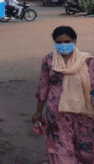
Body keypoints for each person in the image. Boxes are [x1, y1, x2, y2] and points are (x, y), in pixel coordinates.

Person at [32, 26, 94, 164]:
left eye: (67, 41)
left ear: (74, 41)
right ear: (54, 43)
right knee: (61, 150)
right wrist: (38, 111)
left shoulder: (87, 61)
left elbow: (93, 87)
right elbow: (43, 87)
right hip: (57, 114)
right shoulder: (48, 60)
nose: (63, 45)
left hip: (83, 114)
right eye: (59, 42)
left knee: (84, 148)